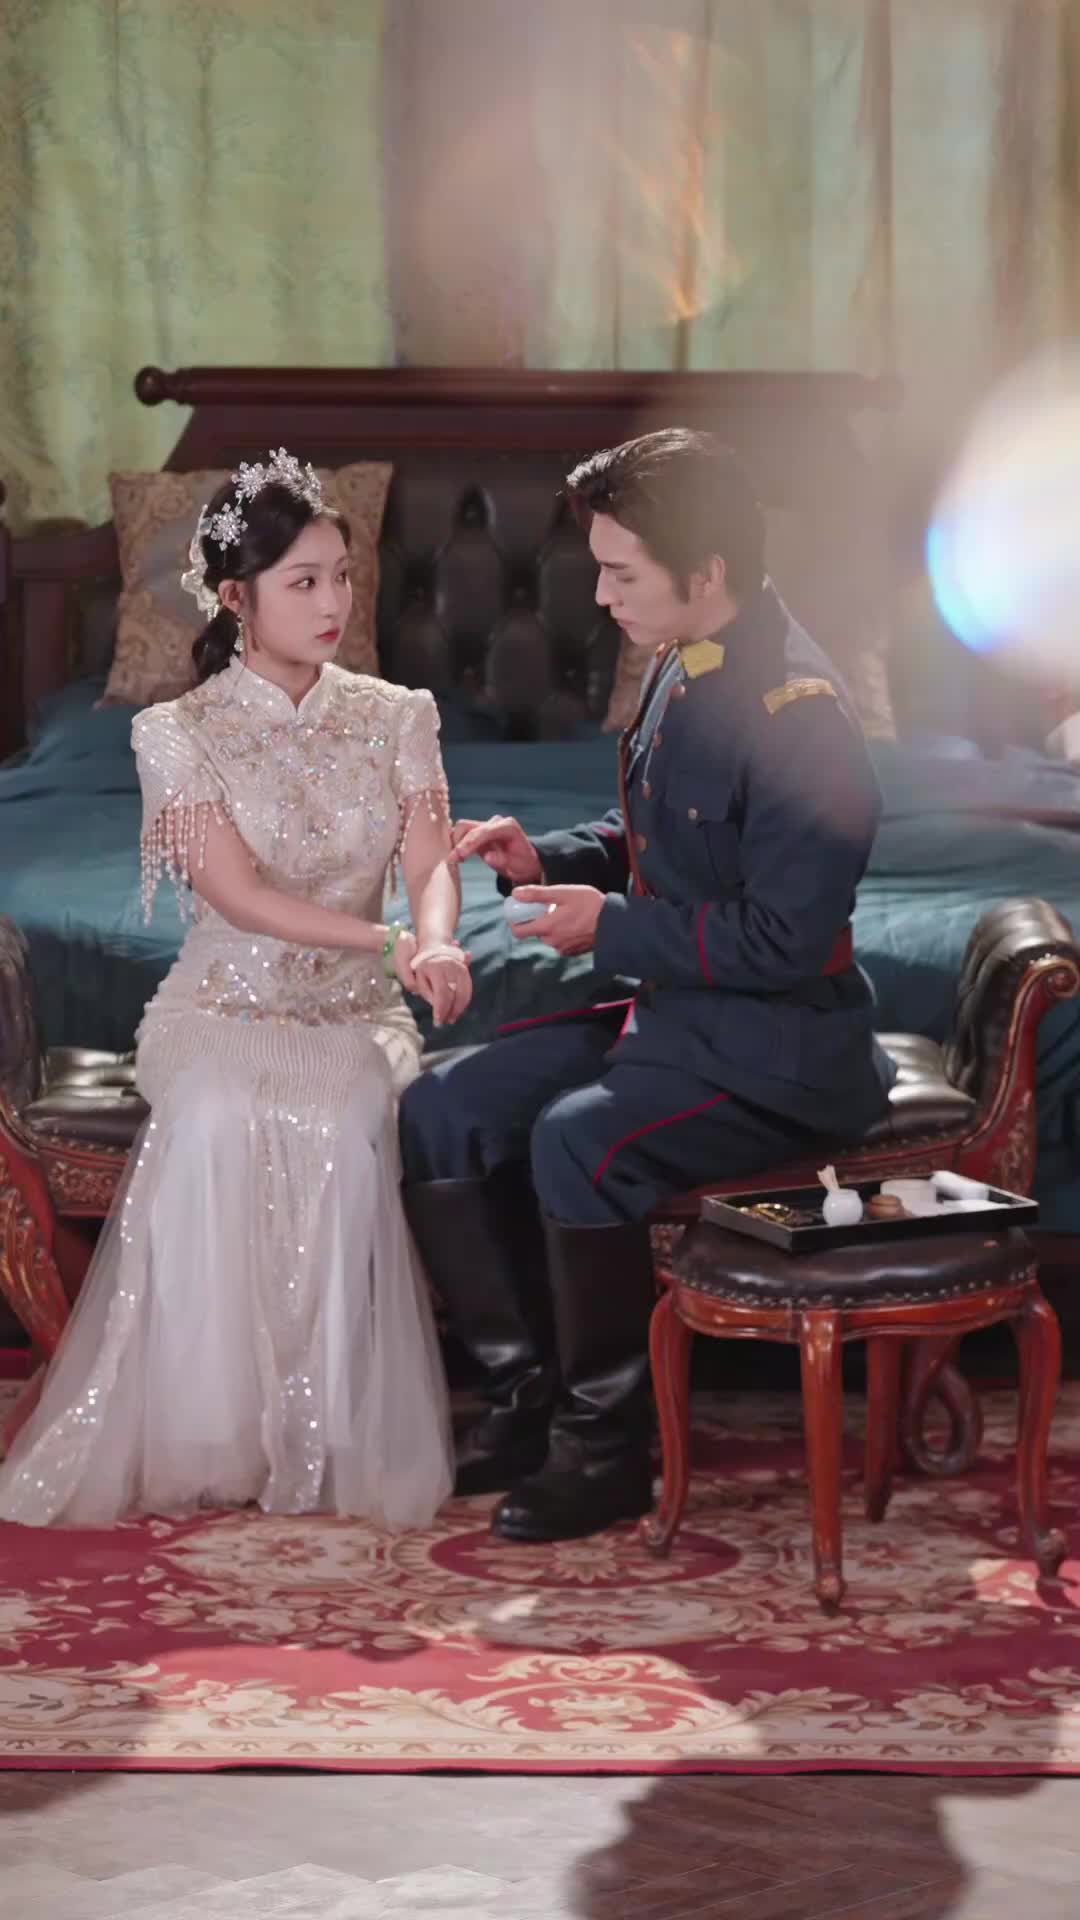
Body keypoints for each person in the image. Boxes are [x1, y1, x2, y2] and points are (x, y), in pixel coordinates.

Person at [399, 427, 893, 1545]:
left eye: (621, 573)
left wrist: (611, 926)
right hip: (682, 1018)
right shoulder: (686, 654)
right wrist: (550, 857)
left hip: (780, 1054)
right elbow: (670, 838)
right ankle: (525, 1404)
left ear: (705, 572)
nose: (601, 595)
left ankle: (605, 1450)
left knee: (577, 1139)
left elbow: (781, 939)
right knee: (441, 1109)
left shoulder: (802, 717)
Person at [0, 450, 469, 1530]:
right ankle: (211, 1435)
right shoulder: (174, 733)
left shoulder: (400, 713)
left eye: (342, 576)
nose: (333, 602)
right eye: (303, 582)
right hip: (219, 1009)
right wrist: (391, 940)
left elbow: (430, 857)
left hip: (352, 1013)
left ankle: (329, 1438)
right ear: (234, 598)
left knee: (344, 1121)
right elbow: (241, 897)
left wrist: (438, 942)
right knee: (213, 1114)